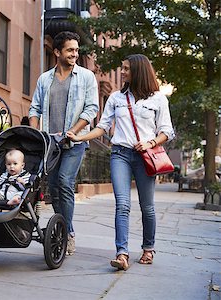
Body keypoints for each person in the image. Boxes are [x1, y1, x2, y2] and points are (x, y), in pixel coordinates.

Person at [67, 54, 175, 270]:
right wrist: (80, 137)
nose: (122, 72)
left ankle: (148, 248)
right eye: (122, 68)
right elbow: (103, 126)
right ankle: (122, 253)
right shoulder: (117, 98)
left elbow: (167, 131)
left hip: (145, 157)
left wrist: (150, 142)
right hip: (120, 155)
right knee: (122, 205)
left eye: (126, 69)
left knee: (148, 207)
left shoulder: (158, 99)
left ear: (139, 72)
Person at [29, 31, 99, 255]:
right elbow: (35, 109)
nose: (75, 54)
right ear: (57, 52)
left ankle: (68, 233)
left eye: (77, 50)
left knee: (65, 182)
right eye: (70, 50)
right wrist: (35, 134)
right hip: (50, 144)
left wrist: (73, 132)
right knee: (54, 189)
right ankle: (60, 228)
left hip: (74, 142)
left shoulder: (87, 77)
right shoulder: (44, 79)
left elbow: (92, 109)